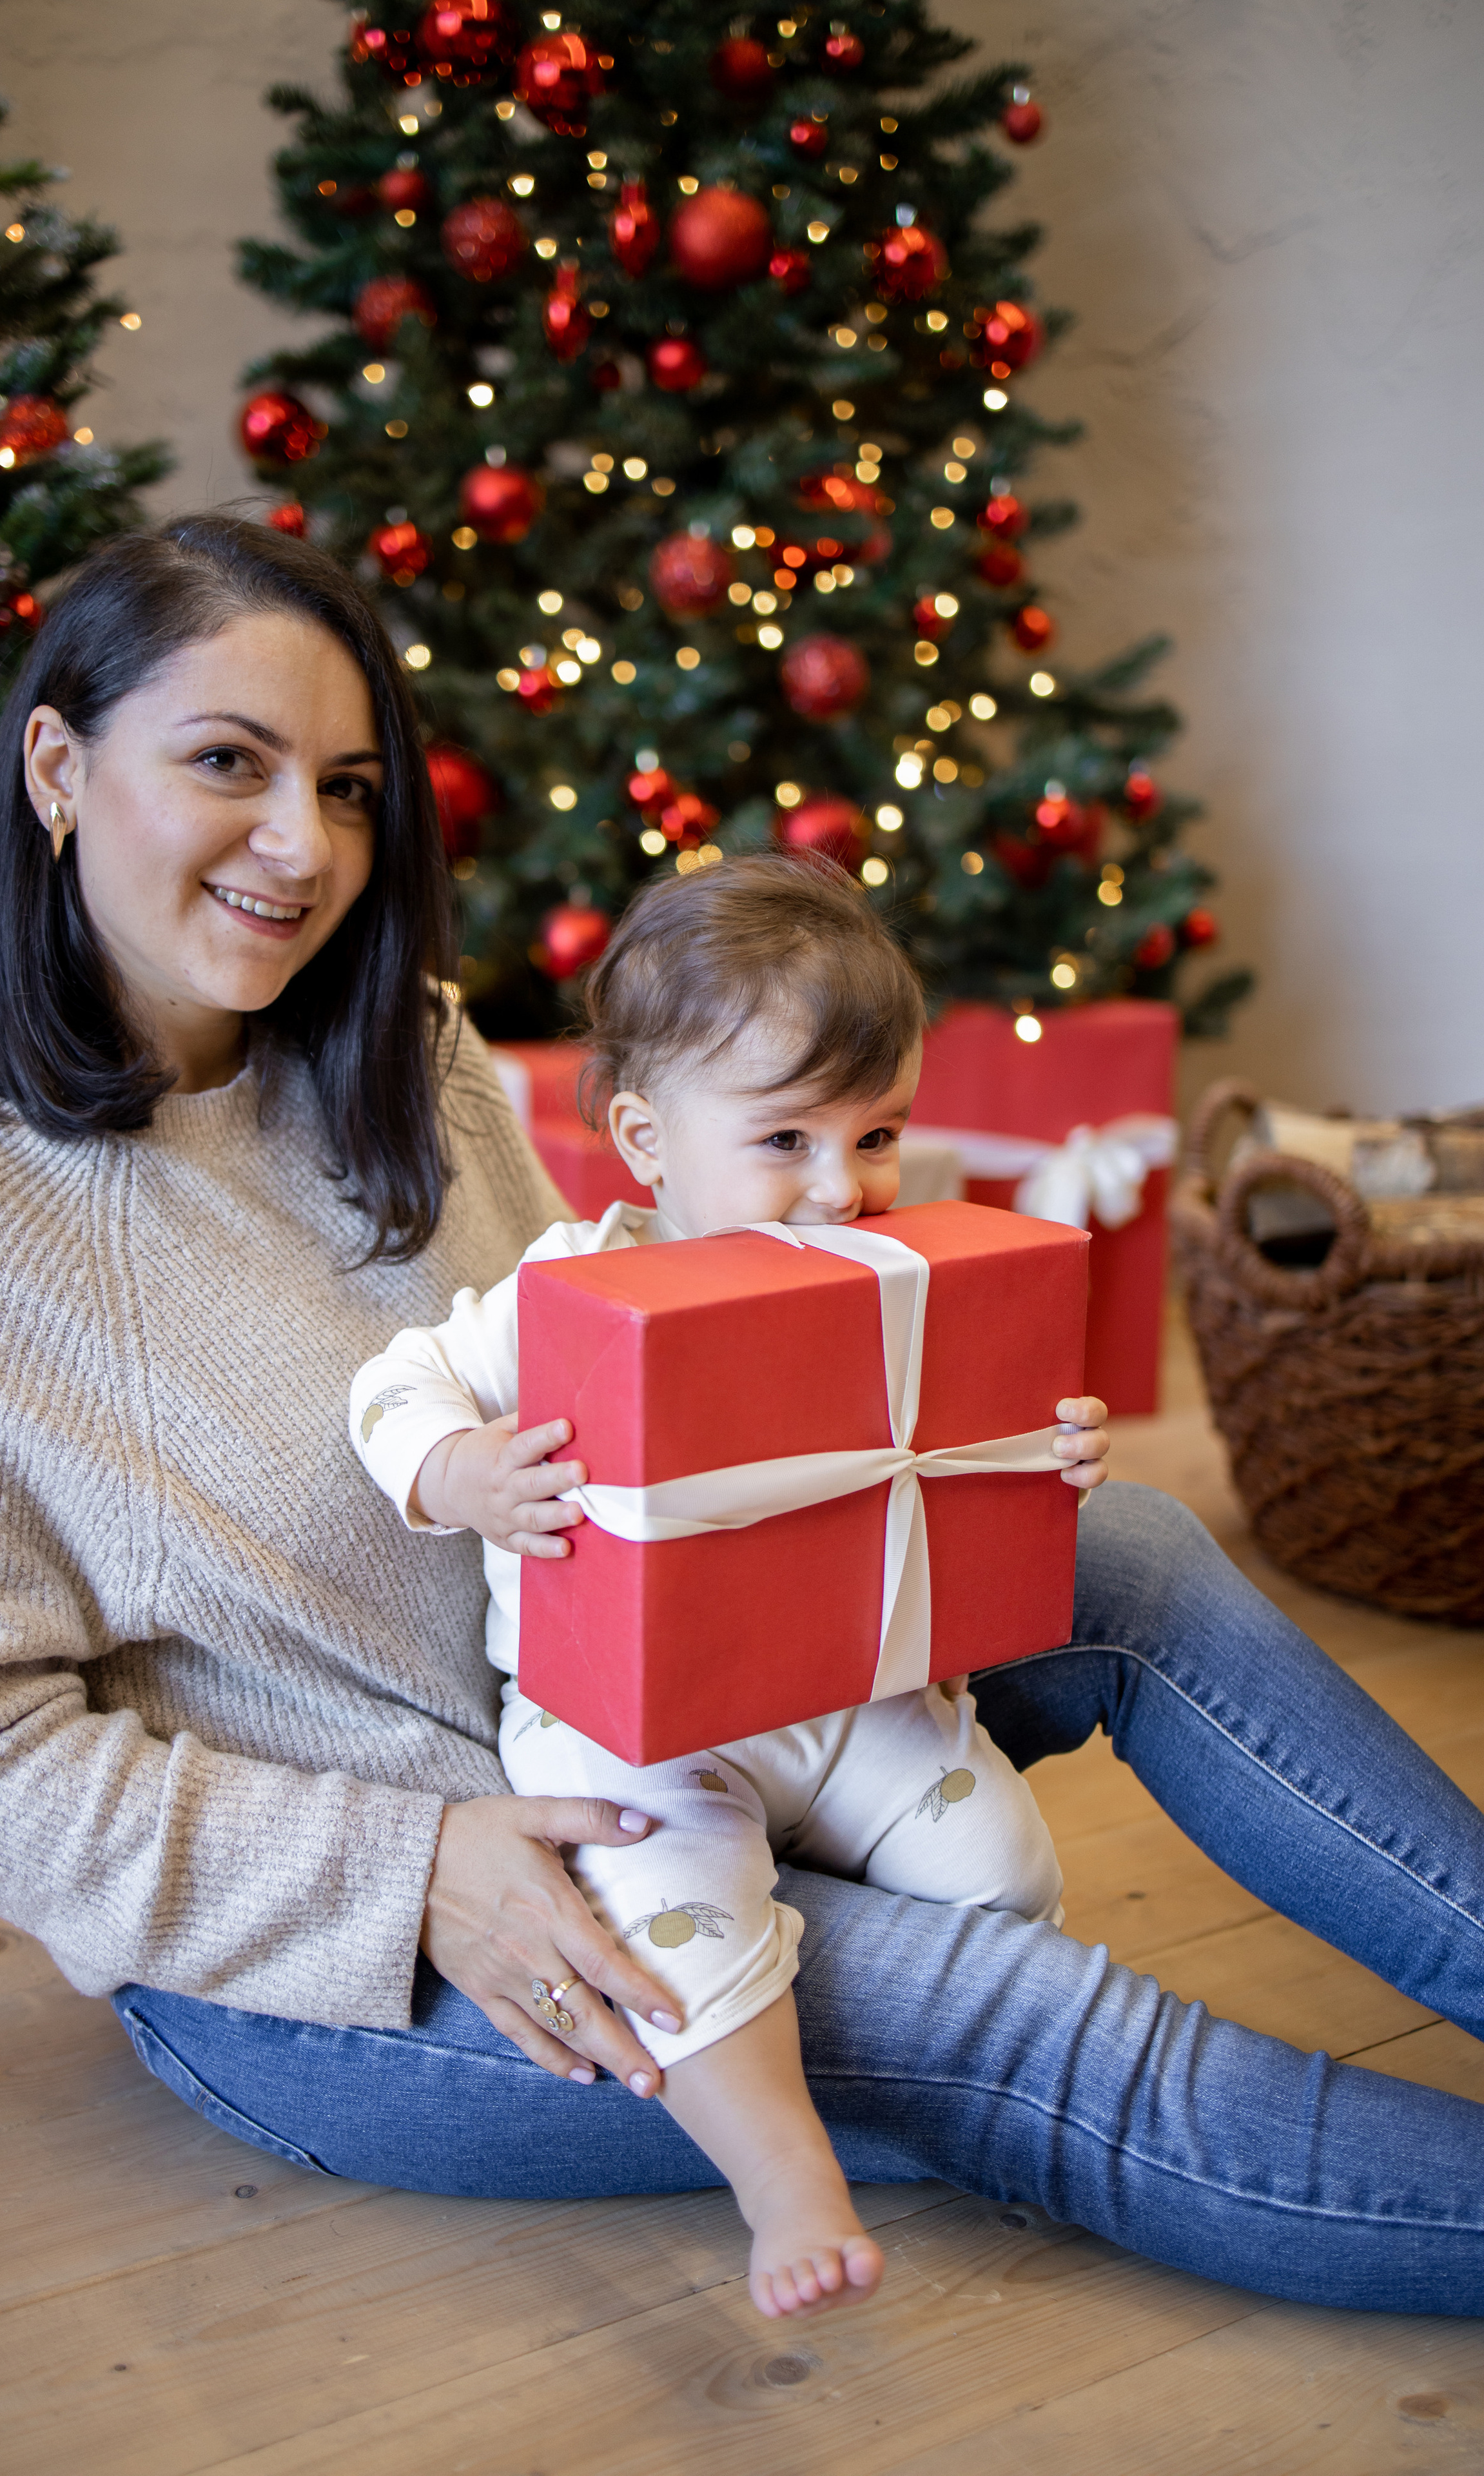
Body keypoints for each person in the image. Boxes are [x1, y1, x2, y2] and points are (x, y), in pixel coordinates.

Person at [0, 515, 1481, 2324]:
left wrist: (969, 1449)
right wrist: (409, 1869)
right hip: (361, 1937)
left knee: (1136, 1550)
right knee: (1003, 2020)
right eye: (228, 763)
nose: (305, 848)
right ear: (58, 770)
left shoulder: (408, 1054)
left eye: (354, 787)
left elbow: (644, 1370)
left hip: (668, 1692)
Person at [351, 858, 1095, 2319]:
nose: (843, 1184)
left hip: (853, 1694)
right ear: (645, 1138)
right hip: (637, 1733)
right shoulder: (566, 1289)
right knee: (668, 1923)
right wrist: (459, 1471)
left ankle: (976, 2058)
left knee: (1001, 1863)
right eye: (784, 1138)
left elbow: (975, 1439)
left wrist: (1043, 1447)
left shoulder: (890, 1279)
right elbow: (398, 1382)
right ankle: (782, 2179)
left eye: (875, 1131)